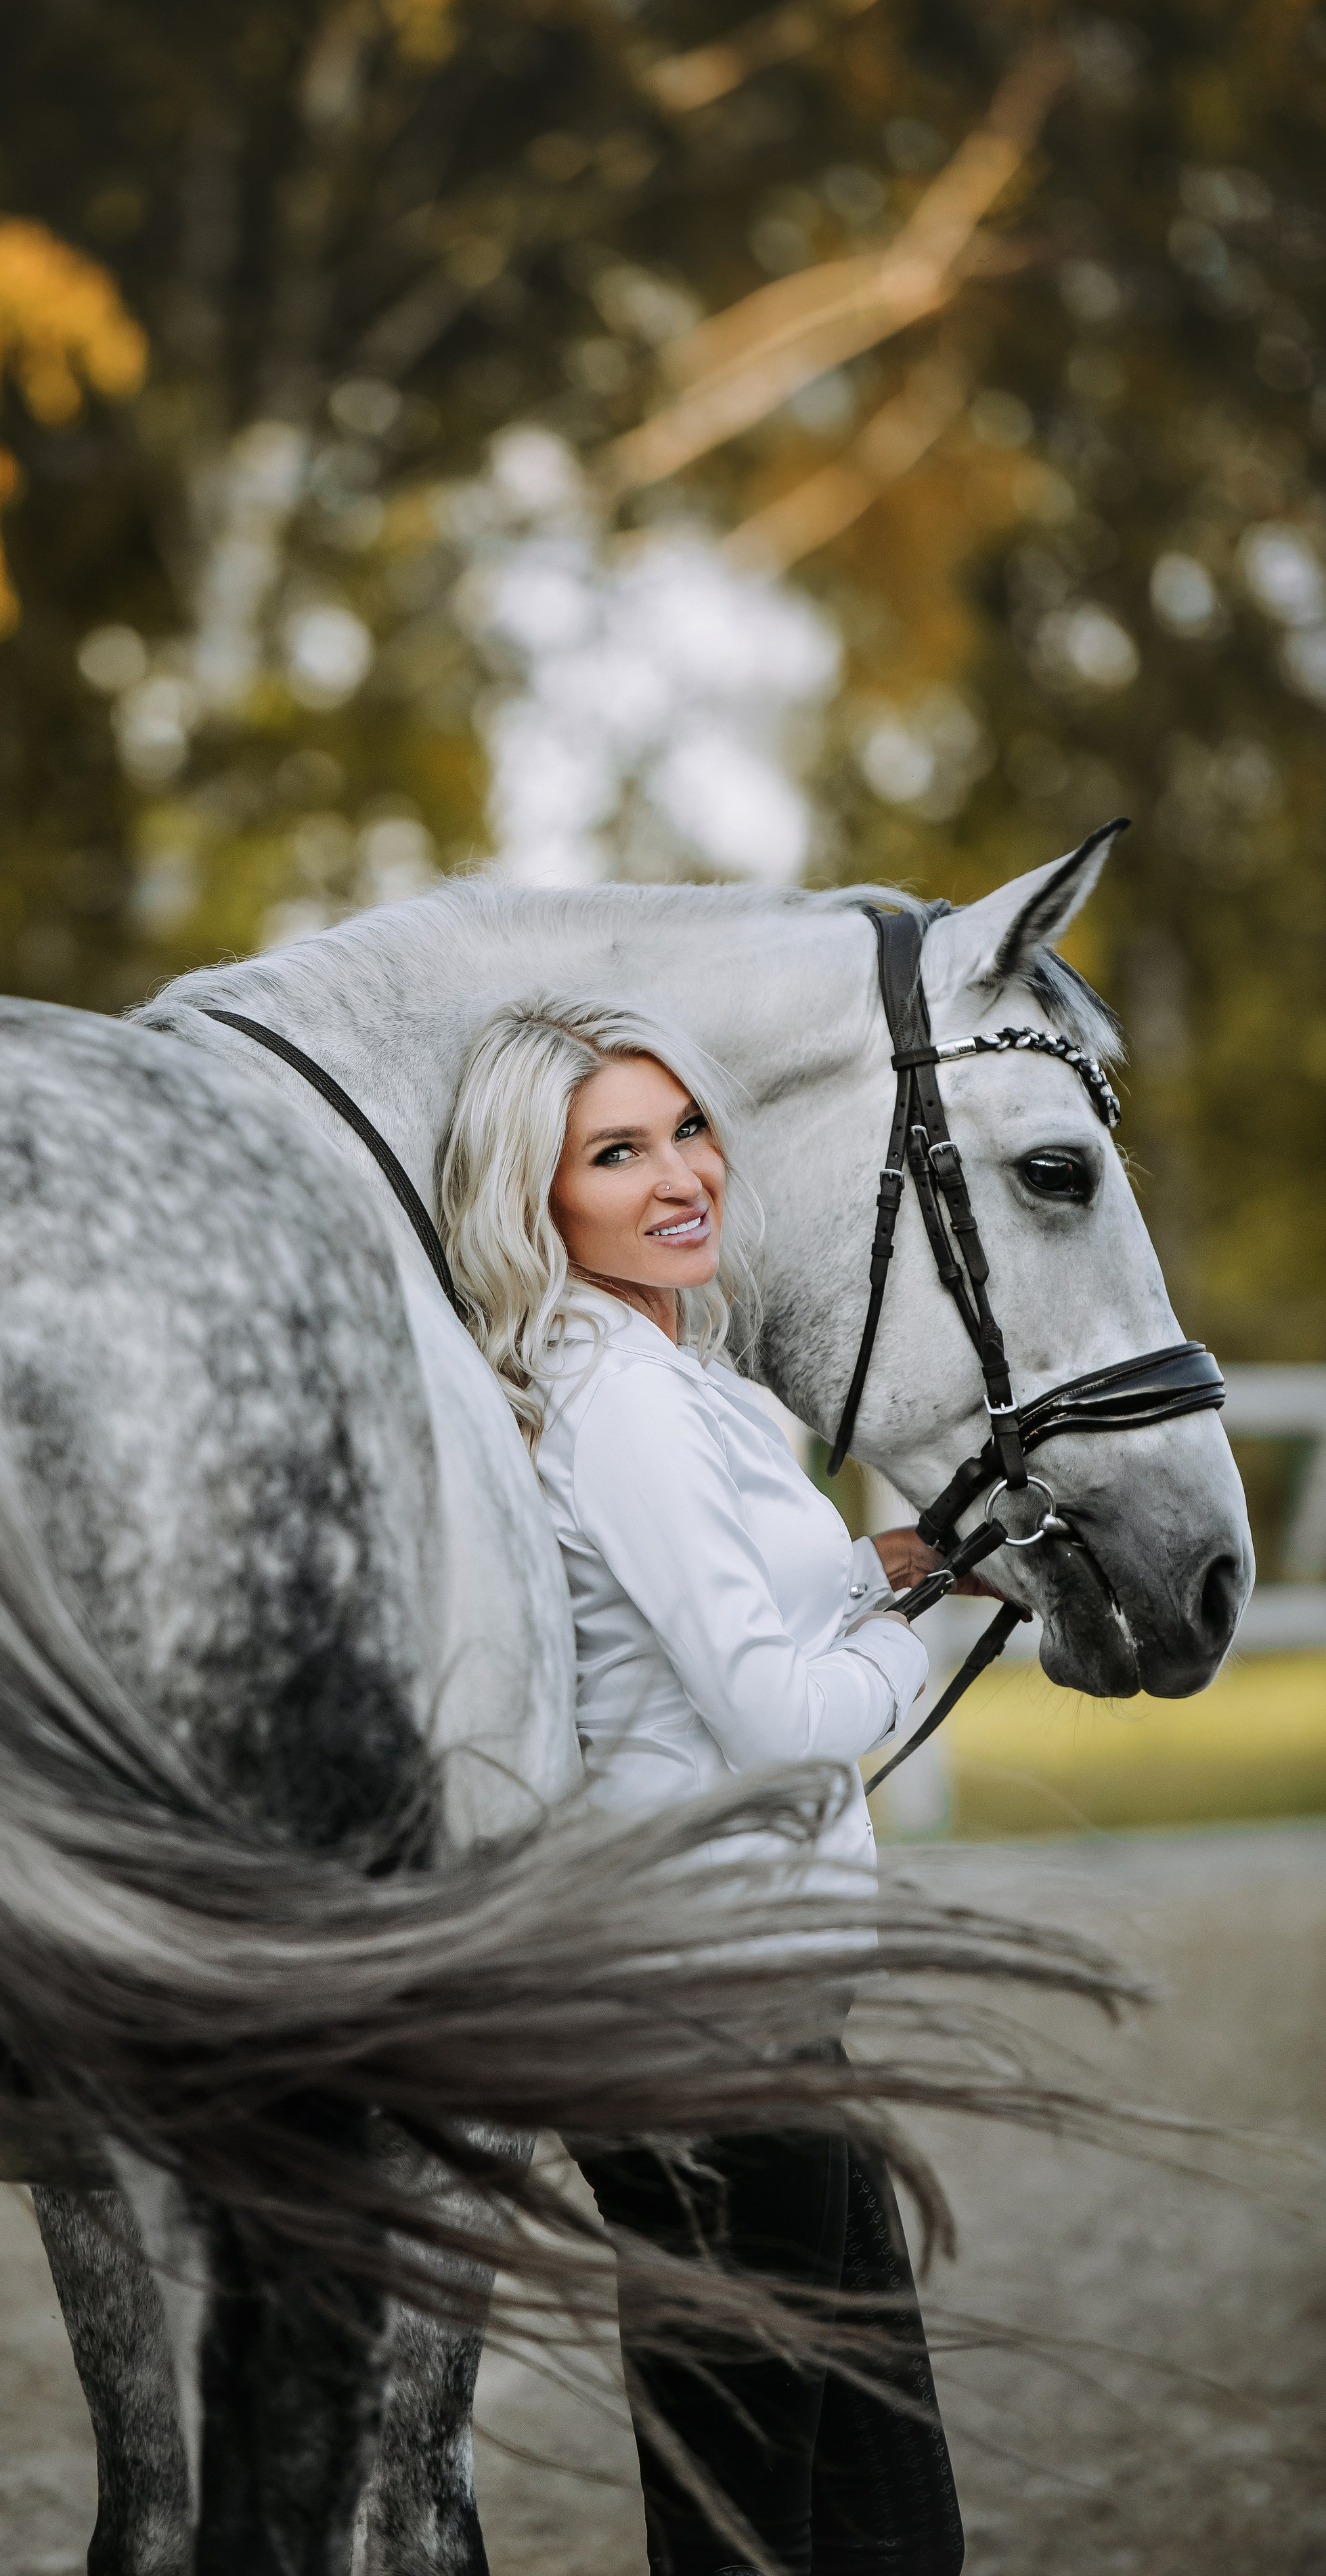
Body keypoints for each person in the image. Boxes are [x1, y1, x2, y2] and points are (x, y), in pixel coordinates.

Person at [437, 995, 979, 2576]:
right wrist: (927, 1635)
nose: (679, 1175)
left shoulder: (690, 1377)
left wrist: (871, 1566)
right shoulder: (618, 1404)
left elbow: (733, 1607)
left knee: (876, 2511)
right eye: (614, 1152)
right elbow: (779, 1720)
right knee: (754, 2518)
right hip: (691, 2003)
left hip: (757, 1996)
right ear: (534, 1203)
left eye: (683, 1130)